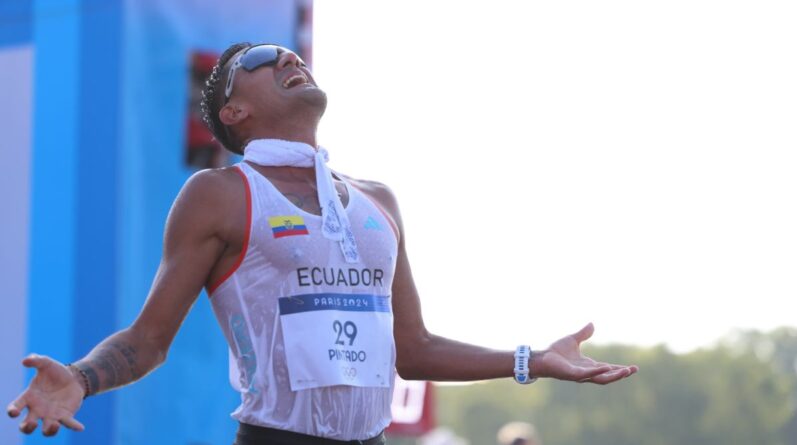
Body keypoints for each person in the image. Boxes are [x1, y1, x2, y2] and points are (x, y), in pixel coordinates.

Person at [6, 42, 638, 444]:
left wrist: (532, 360)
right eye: (260, 59)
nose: (287, 58)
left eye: (290, 54)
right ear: (234, 113)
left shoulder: (377, 200)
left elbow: (411, 351)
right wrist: (83, 379)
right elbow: (148, 341)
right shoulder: (220, 193)